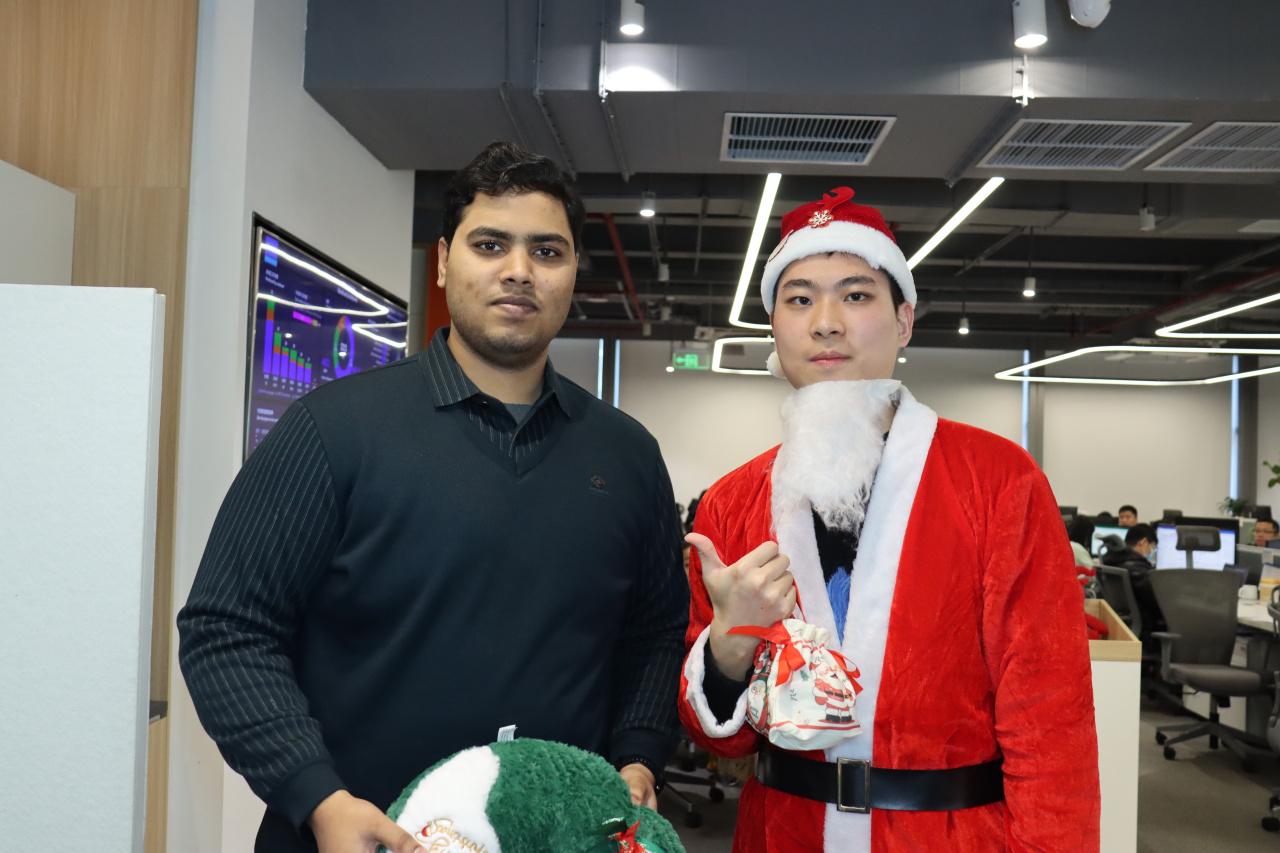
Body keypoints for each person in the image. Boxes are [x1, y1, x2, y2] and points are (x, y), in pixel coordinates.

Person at [178, 141, 689, 853]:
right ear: (446, 261)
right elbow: (227, 629)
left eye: (547, 251)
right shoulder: (332, 430)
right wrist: (318, 797)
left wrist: (637, 752)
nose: (519, 271)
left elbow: (655, 631)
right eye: (491, 244)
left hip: (557, 838)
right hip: (365, 836)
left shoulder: (628, 454)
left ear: (573, 272)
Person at [677, 187, 1100, 851]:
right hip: (783, 831)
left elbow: (1052, 715)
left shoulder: (997, 480)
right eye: (799, 298)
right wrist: (728, 647)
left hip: (950, 832)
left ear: (905, 319)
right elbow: (711, 733)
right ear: (773, 325)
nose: (825, 322)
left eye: (855, 294)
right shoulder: (733, 499)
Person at [1101, 523, 1163, 638]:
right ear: (1143, 542)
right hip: (1146, 634)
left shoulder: (1113, 562)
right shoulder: (1138, 570)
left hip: (1123, 629)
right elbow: (1159, 601)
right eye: (1152, 547)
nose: (1151, 552)